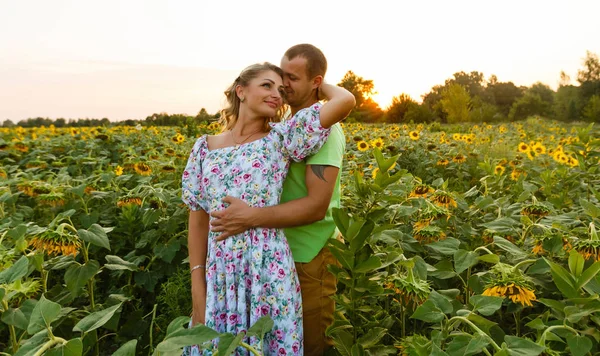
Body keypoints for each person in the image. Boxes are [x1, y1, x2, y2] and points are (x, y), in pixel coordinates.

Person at [182, 61, 354, 355]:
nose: (277, 94)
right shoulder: (204, 147)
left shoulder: (283, 138)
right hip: (220, 272)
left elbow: (345, 101)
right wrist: (198, 288)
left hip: (267, 266)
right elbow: (198, 221)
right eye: (267, 85)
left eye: (282, 89)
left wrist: (317, 82)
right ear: (241, 91)